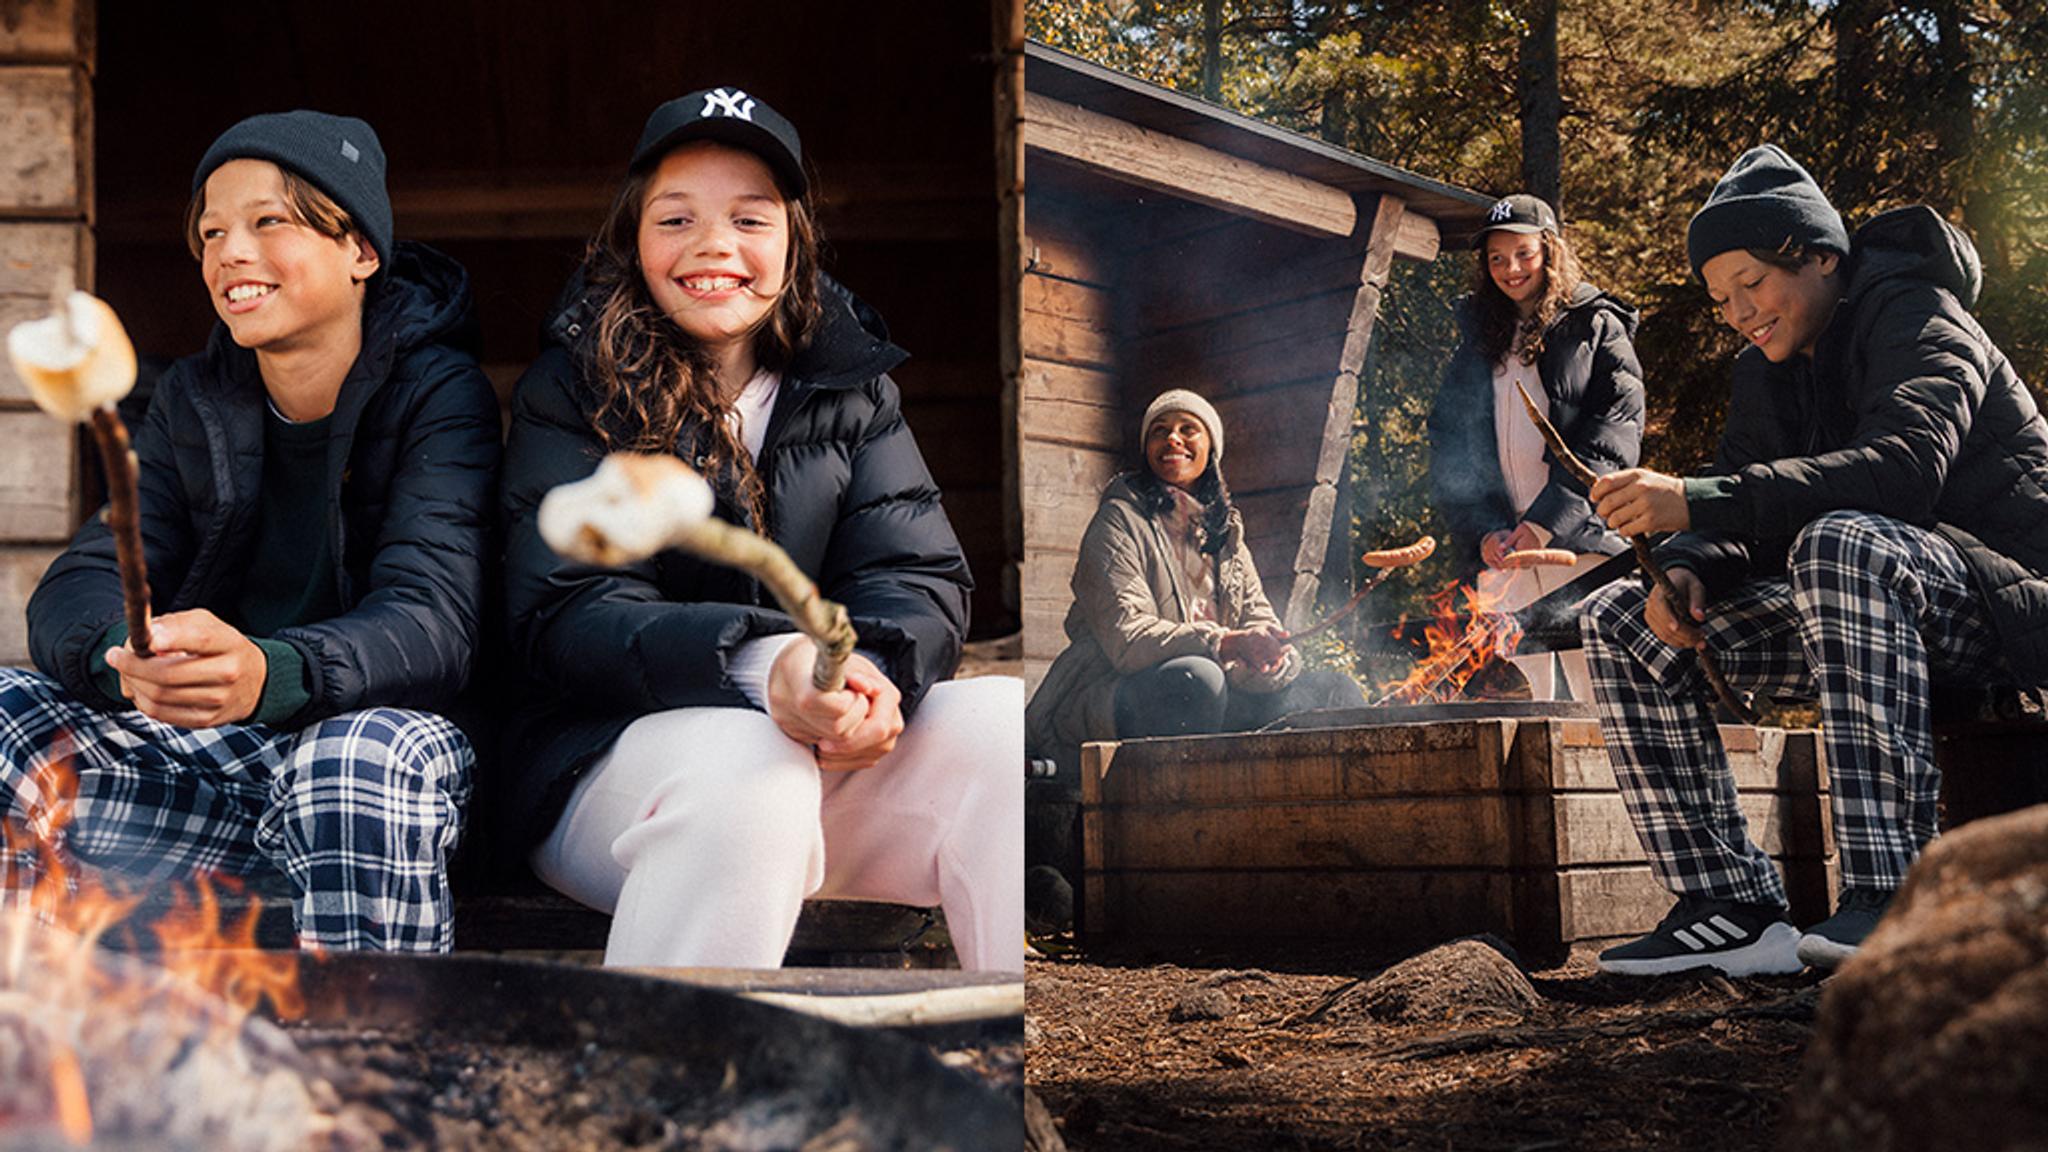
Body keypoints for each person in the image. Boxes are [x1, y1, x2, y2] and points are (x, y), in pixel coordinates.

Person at [499, 88, 1022, 973]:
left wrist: (865, 681)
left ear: (793, 242)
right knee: (749, 770)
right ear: (632, 240)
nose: (714, 245)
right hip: (605, 769)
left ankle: (1003, 1044)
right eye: (676, 219)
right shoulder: (569, 388)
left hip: (817, 763)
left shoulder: (856, 390)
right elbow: (567, 612)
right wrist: (761, 663)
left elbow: (917, 572)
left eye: (750, 219)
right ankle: (672, 1064)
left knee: (1003, 726)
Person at [2, 111, 500, 951]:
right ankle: (38, 1024)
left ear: (360, 251)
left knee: (353, 764)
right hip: (219, 767)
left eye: (269, 221)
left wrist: (271, 672)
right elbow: (82, 580)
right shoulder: (192, 399)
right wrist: (129, 656)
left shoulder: (441, 394)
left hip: (383, 773)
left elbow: (434, 619)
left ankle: (370, 1040)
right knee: (6, 714)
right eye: (211, 232)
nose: (229, 252)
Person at [1582, 144, 2048, 975]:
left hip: (2004, 604)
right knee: (1621, 618)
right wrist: (1689, 566)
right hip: (1867, 608)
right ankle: (1729, 906)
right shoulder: (1765, 372)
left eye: (1752, 283)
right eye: (1721, 299)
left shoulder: (1919, 314)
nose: (1738, 312)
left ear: (1821, 255)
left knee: (1840, 543)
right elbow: (1739, 507)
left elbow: (1904, 472)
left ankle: (1891, 893)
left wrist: (1696, 499)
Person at [1025, 389, 1365, 759]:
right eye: (1159, 431)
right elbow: (1127, 639)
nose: (1173, 438)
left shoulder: (1225, 535)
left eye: (1188, 429)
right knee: (1198, 678)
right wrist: (1227, 643)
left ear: (1211, 450)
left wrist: (1271, 659)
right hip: (1115, 697)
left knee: (1335, 692)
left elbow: (1258, 618)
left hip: (1215, 695)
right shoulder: (1118, 522)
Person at [1427, 193, 1644, 701]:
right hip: (1505, 555)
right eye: (1497, 258)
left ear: (1549, 250)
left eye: (1524, 254)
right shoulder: (1477, 340)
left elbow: (1613, 434)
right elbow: (1449, 442)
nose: (1512, 269)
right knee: (1523, 699)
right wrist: (1484, 531)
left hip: (1580, 544)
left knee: (1599, 692)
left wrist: (1546, 524)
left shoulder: (1595, 325)